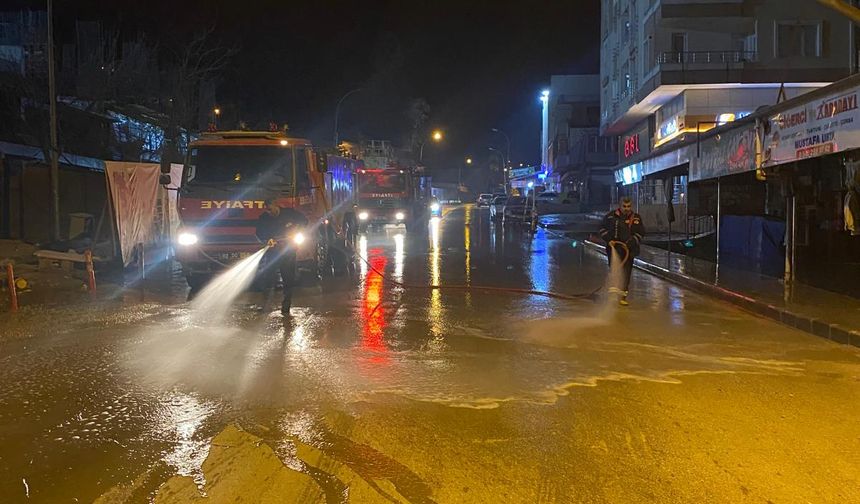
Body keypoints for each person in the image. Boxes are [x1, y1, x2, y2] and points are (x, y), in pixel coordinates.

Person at [256, 198, 308, 315]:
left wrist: (297, 231)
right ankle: (266, 305)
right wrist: (267, 240)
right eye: (267, 210)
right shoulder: (264, 218)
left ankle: (286, 305)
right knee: (268, 278)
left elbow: (304, 221)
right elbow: (259, 233)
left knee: (288, 278)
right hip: (272, 252)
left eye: (270, 209)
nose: (269, 212)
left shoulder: (290, 214)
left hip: (288, 251)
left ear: (276, 205)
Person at [599, 197, 645, 306]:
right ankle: (612, 296)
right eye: (624, 206)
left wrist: (630, 243)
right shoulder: (610, 217)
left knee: (626, 273)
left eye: (628, 206)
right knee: (614, 271)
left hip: (629, 251)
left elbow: (641, 233)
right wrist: (609, 240)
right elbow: (601, 229)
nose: (626, 209)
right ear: (620, 206)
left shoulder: (636, 218)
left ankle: (622, 297)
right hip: (614, 249)